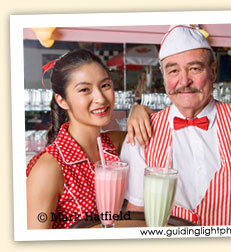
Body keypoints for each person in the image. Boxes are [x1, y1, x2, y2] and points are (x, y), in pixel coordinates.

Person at [121, 25, 231, 226]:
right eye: (174, 71)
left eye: (194, 68)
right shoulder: (142, 132)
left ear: (212, 71)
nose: (184, 81)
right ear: (164, 77)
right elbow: (136, 215)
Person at [26, 49, 151, 229]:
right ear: (62, 101)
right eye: (85, 89)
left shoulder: (114, 145)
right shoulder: (50, 168)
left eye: (105, 86)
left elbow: (158, 134)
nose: (100, 98)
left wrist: (139, 110)